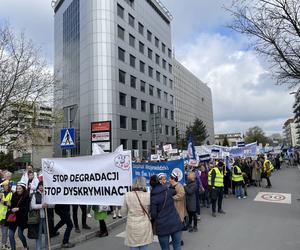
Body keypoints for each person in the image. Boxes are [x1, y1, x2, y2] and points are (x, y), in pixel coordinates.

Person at [150, 175, 182, 250]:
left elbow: (153, 215)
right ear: (159, 182)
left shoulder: (153, 197)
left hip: (162, 225)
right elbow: (174, 191)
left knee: (165, 248)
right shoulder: (168, 190)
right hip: (175, 222)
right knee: (177, 246)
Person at [122, 176, 153, 250]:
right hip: (144, 224)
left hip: (132, 225)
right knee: (144, 245)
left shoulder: (127, 195)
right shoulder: (148, 195)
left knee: (133, 245)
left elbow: (123, 212)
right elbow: (150, 210)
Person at [30, 181, 53, 250]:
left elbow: (53, 205)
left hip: (47, 217)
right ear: (38, 186)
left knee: (47, 234)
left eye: (42, 185)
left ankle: (47, 247)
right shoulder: (35, 194)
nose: (41, 187)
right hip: (38, 218)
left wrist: (48, 205)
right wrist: (42, 205)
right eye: (40, 185)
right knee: (38, 234)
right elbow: (33, 206)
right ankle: (38, 248)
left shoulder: (48, 194)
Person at [7, 182, 30, 250]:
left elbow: (27, 208)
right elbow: (11, 206)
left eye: (19, 188)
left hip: (21, 218)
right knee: (10, 235)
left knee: (20, 234)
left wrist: (18, 208)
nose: (18, 190)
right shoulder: (14, 195)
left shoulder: (26, 196)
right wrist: (9, 205)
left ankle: (25, 246)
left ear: (23, 189)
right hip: (13, 218)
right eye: (17, 188)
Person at [169, 172, 185, 246]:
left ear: (173, 179)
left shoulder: (179, 186)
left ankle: (179, 240)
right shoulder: (170, 185)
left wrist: (172, 198)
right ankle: (174, 239)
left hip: (178, 208)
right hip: (171, 209)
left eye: (170, 178)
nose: (169, 179)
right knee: (172, 225)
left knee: (178, 225)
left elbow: (181, 195)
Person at [0, 180, 13, 250]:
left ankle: (5, 244)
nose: (5, 187)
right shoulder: (1, 194)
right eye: (4, 185)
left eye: (6, 185)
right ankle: (4, 244)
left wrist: (3, 202)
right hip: (1, 216)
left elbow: (10, 204)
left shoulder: (11, 194)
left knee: (6, 232)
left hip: (7, 215)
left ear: (9, 186)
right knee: (3, 232)